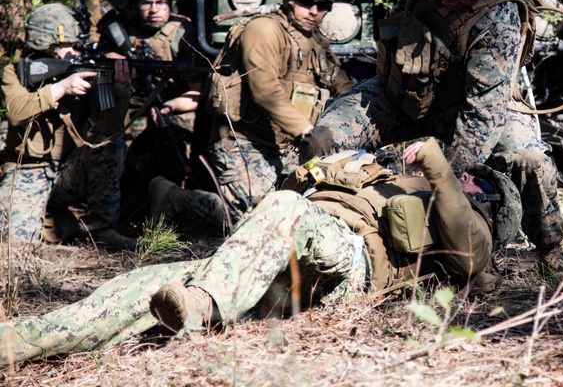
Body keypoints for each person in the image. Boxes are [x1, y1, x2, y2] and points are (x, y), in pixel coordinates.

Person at [0, 137, 520, 369]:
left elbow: (472, 260)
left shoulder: (468, 220)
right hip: (274, 260)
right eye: (467, 174)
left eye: (479, 182)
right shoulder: (391, 177)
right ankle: (19, 342)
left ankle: (203, 304)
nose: (468, 176)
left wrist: (443, 170)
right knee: (140, 286)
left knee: (285, 207)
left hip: (343, 260)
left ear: (488, 202)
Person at [308, 0, 563, 269]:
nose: (441, 1)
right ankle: (299, 222)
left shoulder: (498, 20)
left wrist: (439, 177)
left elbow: (482, 118)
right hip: (402, 97)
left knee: (530, 160)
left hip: (469, 110)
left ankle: (551, 249)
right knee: (325, 136)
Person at [206, 0, 354, 217]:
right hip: (246, 144)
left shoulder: (315, 42)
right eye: (306, 2)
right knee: (253, 220)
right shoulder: (264, 30)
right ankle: (172, 196)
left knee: (328, 208)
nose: (314, 11)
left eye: (323, 6)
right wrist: (308, 132)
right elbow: (266, 91)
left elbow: (343, 87)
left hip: (294, 149)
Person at [0, 3, 134, 250]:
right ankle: (55, 221)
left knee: (111, 146)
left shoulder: (88, 68)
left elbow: (109, 127)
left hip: (69, 172)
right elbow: (16, 112)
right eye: (67, 46)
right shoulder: (14, 71)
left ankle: (100, 230)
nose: (74, 52)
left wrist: (120, 89)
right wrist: (61, 88)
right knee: (16, 244)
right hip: (27, 169)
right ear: (46, 44)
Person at [116, 0, 204, 188]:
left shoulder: (184, 33)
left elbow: (199, 90)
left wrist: (172, 106)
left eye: (160, 2)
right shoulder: (118, 32)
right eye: (146, 2)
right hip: (126, 113)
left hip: (170, 111)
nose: (153, 9)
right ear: (134, 3)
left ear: (170, 2)